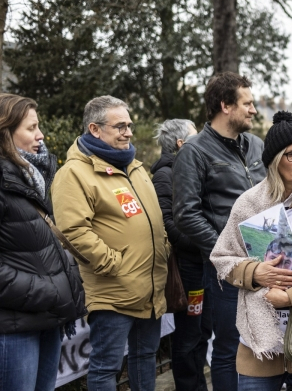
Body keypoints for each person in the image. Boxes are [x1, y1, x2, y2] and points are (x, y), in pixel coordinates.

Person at [210, 111, 292, 391]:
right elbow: (222, 256)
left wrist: (290, 298)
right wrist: (255, 272)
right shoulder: (249, 202)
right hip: (262, 340)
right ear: (274, 160)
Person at [52, 96, 169, 391]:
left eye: (129, 125)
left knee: (145, 358)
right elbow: (73, 231)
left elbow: (155, 221)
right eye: (120, 126)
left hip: (150, 287)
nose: (128, 132)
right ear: (95, 128)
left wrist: (163, 248)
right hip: (112, 292)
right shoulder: (74, 173)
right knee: (106, 367)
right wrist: (114, 263)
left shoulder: (136, 167)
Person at [172, 72, 266, 391]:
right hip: (227, 271)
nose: (253, 110)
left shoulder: (256, 146)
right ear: (225, 106)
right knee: (229, 348)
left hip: (270, 260)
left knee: (268, 341)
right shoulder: (194, 152)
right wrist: (225, 254)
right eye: (247, 103)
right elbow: (186, 214)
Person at [0, 94, 86, 391]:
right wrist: (46, 290)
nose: (40, 135)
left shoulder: (30, 178)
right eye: (31, 127)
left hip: (47, 316)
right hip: (15, 325)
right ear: (5, 132)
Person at [150, 119, 212, 391]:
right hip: (189, 269)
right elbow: (170, 226)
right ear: (181, 144)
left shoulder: (193, 170)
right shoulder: (165, 175)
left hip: (203, 264)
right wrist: (205, 241)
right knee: (188, 337)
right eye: (195, 136)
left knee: (202, 333)